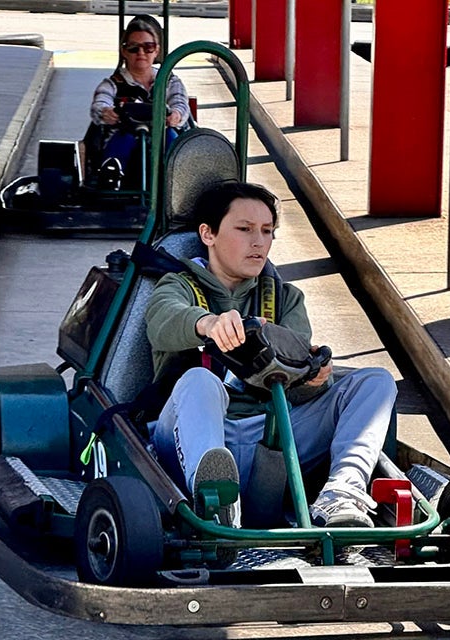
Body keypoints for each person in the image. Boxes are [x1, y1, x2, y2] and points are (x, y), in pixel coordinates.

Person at [144, 181, 397, 528]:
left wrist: (314, 381)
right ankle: (215, 500)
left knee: (376, 381)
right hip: (192, 433)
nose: (258, 242)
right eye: (244, 229)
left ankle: (341, 493)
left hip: (272, 433)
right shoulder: (177, 285)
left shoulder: (284, 298)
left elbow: (295, 385)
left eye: (267, 231)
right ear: (208, 234)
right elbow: (162, 321)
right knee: (199, 379)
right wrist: (207, 323)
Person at [87, 16, 191, 190]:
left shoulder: (169, 82)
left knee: (171, 136)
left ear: (156, 51)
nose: (141, 53)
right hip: (126, 136)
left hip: (162, 137)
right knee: (124, 138)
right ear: (124, 51)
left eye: (148, 47)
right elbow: (100, 101)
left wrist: (176, 115)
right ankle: (111, 178)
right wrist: (106, 111)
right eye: (134, 48)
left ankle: (177, 182)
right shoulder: (113, 83)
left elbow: (179, 102)